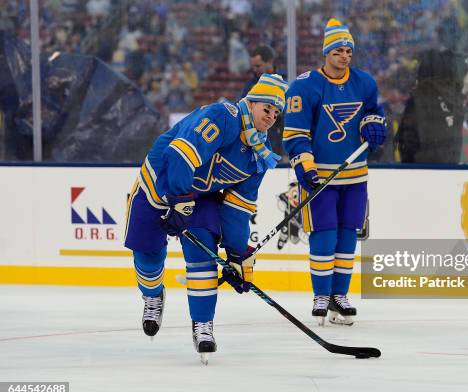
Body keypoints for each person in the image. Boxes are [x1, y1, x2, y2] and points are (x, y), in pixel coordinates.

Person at [124, 73, 288, 362]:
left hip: (199, 197)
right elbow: (180, 154)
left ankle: (203, 325)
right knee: (147, 255)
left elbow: (237, 209)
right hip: (161, 183)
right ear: (251, 103)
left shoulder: (259, 156)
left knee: (203, 255)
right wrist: (178, 200)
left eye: (276, 113)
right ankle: (153, 295)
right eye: (267, 109)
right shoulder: (222, 116)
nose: (271, 117)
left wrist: (238, 255)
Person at [282, 18, 386, 326]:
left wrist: (375, 126)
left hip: (355, 176)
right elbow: (296, 133)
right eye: (339, 51)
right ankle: (321, 295)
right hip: (321, 177)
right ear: (327, 52)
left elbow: (374, 114)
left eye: (349, 52)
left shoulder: (365, 83)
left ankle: (339, 296)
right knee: (324, 235)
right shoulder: (304, 86)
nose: (345, 57)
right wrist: (305, 164)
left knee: (347, 236)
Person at [240, 45, 285, 158]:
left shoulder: (284, 86)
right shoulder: (250, 87)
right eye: (253, 66)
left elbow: (288, 121)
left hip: (277, 149)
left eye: (258, 66)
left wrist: (286, 151)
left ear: (270, 62)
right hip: (253, 149)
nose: (255, 69)